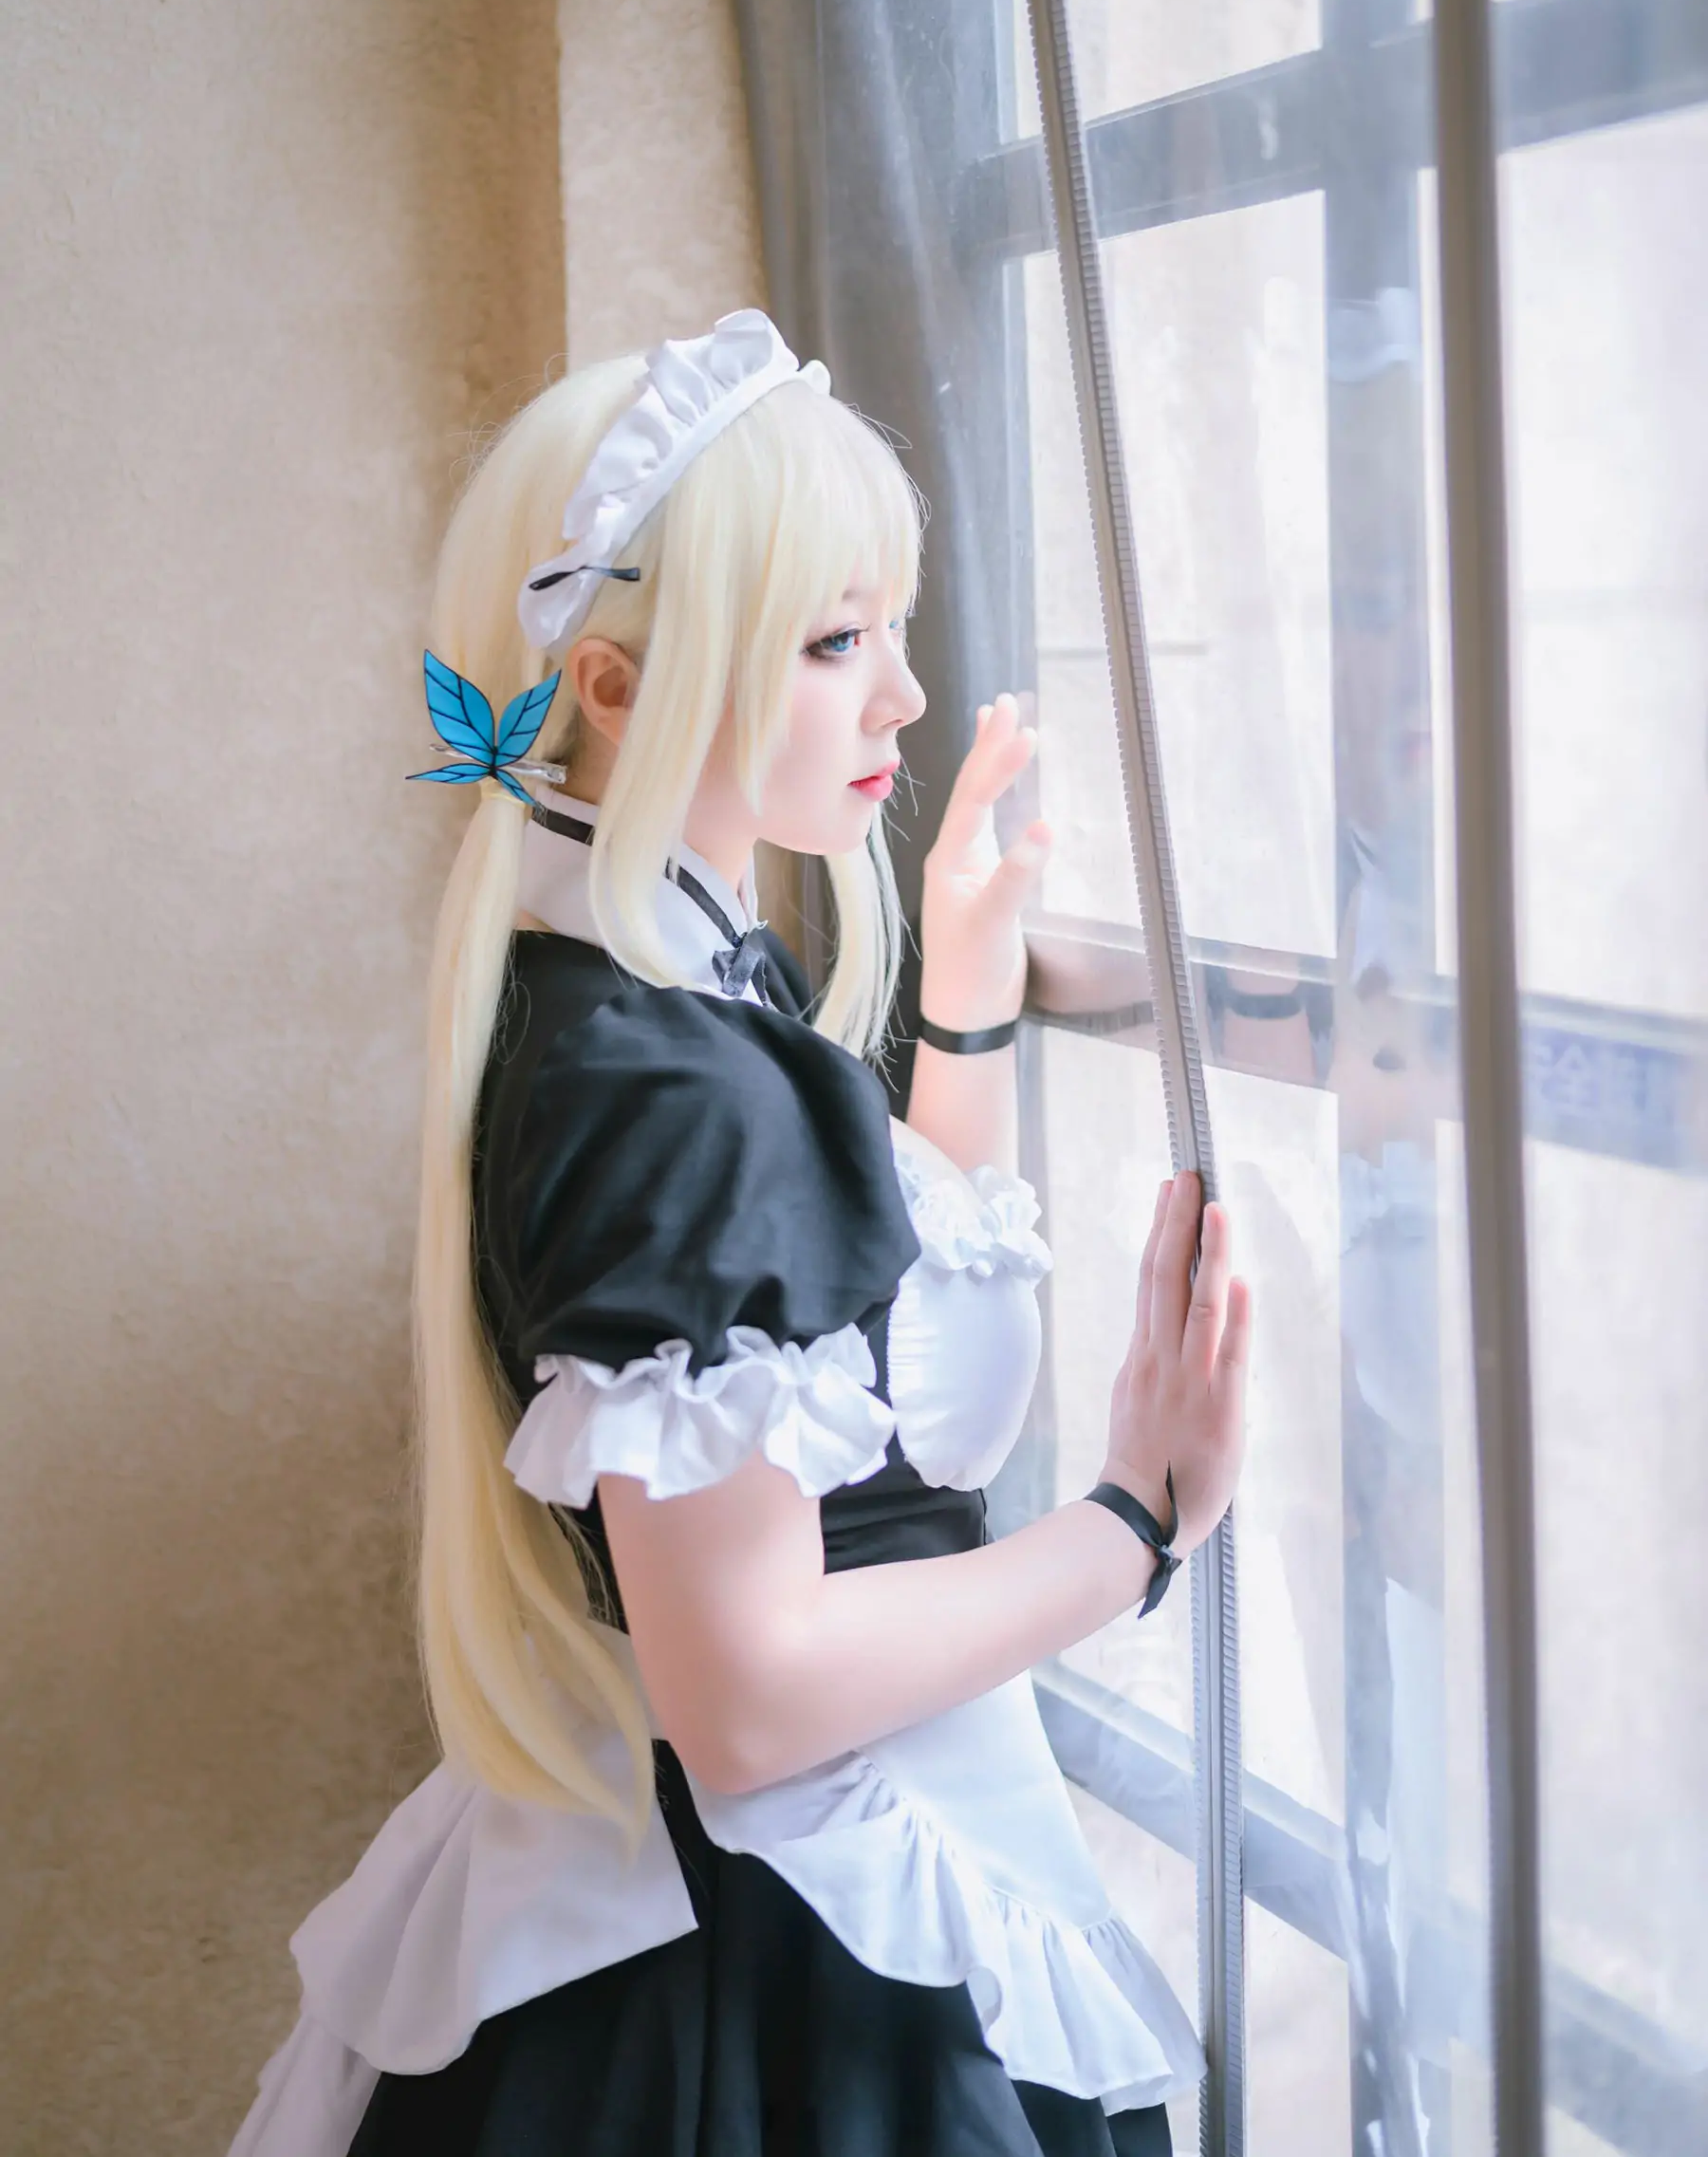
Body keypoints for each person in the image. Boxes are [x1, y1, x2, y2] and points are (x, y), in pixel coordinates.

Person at [229, 308, 1252, 2157]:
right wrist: (1136, 1528)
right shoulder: (667, 1076)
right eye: (836, 640)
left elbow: (863, 1386)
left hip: (754, 1903)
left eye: (892, 629)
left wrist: (966, 1012)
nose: (904, 698)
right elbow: (755, 1700)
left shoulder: (641, 980)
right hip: (783, 1960)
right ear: (618, 685)